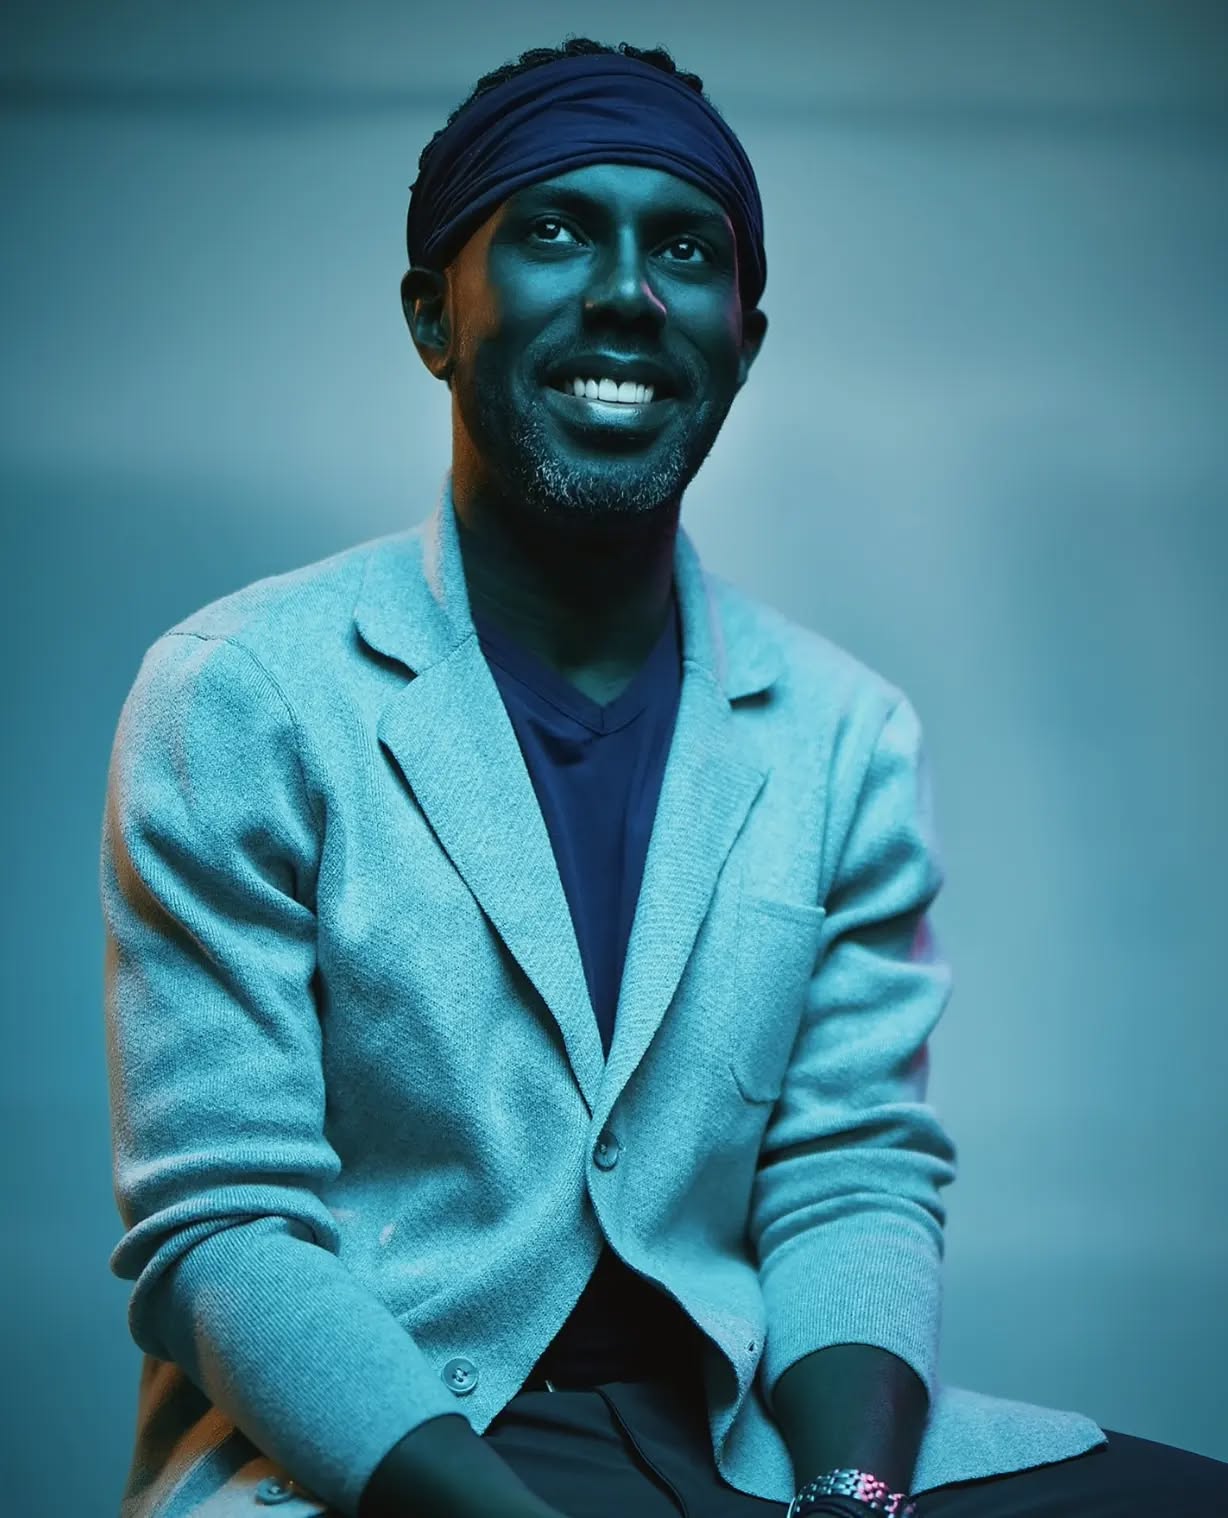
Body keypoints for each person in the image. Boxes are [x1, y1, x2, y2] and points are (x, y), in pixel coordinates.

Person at [100, 34, 1228, 1518]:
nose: (629, 293)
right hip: (390, 1458)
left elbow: (851, 1172)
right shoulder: (242, 691)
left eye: (686, 249)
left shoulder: (841, 730)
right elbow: (225, 1232)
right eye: (556, 230)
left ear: (743, 340)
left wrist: (852, 1496)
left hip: (736, 1437)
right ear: (433, 315)